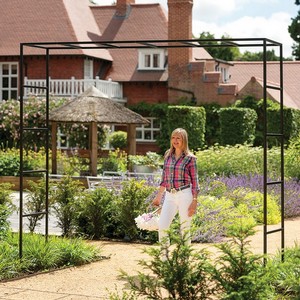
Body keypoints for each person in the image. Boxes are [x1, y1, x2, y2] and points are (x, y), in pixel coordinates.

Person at [152, 128, 199, 255]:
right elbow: (164, 178)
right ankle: (164, 258)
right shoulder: (168, 155)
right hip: (169, 196)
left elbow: (195, 182)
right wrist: (158, 196)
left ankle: (185, 259)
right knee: (162, 226)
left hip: (185, 195)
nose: (175, 140)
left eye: (178, 138)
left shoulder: (190, 158)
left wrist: (194, 201)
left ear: (184, 140)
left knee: (185, 228)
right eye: (173, 137)